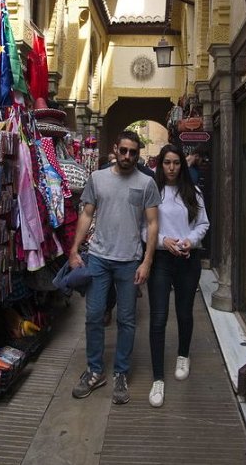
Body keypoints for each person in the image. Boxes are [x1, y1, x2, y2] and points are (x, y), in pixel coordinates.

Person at [69, 129, 161, 404]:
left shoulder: (146, 183)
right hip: (99, 258)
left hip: (129, 261)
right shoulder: (97, 178)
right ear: (115, 149)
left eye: (133, 152)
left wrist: (147, 261)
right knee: (94, 315)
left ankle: (121, 372)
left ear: (137, 154)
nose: (128, 156)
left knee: (127, 320)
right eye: (124, 150)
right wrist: (74, 249)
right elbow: (87, 214)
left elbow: (153, 224)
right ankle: (95, 370)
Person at [146, 143, 210, 408]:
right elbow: (143, 228)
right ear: (160, 165)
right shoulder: (153, 191)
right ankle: (158, 378)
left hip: (187, 259)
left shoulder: (193, 192)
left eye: (176, 163)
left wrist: (189, 241)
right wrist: (163, 240)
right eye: (167, 163)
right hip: (161, 260)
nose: (171, 168)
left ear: (182, 165)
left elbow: (204, 224)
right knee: (158, 318)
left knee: (184, 313)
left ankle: (183, 355)